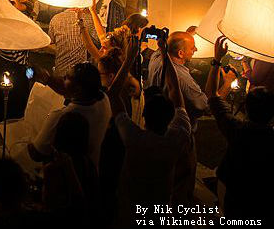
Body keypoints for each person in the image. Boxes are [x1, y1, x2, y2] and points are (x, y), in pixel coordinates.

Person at [108, 34, 191, 226]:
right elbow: (175, 91)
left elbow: (112, 94)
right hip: (161, 210)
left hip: (130, 211)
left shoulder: (134, 138)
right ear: (171, 117)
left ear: (144, 116)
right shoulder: (177, 136)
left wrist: (129, 58)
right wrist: (164, 52)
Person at [206, 36, 274, 221]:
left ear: (245, 107)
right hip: (263, 201)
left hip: (234, 193)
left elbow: (212, 97)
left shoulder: (236, 129)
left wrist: (216, 61)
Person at [146, 31, 207, 204]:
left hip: (157, 129)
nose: (195, 49)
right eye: (192, 47)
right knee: (181, 181)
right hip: (178, 134)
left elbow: (163, 50)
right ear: (180, 53)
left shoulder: (156, 58)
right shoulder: (183, 79)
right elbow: (202, 104)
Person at [30, 62, 112, 169]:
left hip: (64, 178)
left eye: (67, 77)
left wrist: (30, 141)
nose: (63, 78)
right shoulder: (103, 100)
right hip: (91, 175)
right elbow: (68, 90)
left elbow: (36, 153)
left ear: (78, 89)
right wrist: (48, 79)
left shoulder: (62, 117)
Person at [48, 7, 99, 76]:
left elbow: (50, 42)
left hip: (60, 72)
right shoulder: (90, 19)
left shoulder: (55, 18)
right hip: (80, 74)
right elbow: (97, 42)